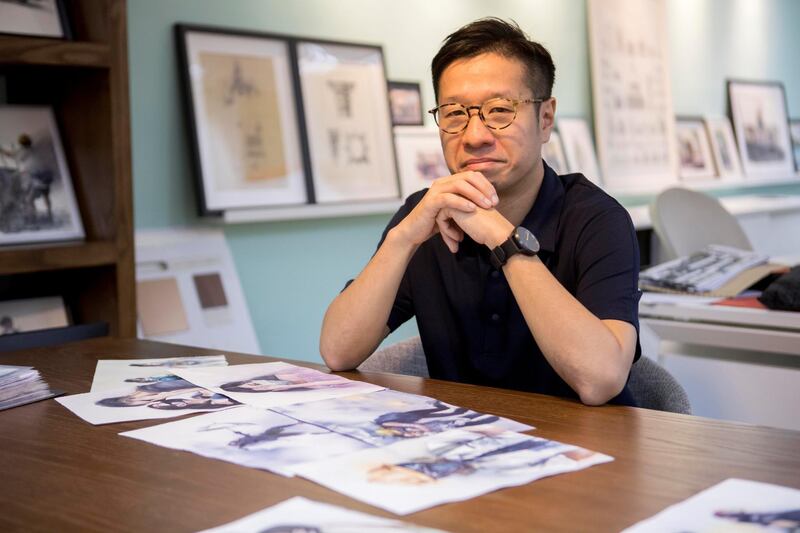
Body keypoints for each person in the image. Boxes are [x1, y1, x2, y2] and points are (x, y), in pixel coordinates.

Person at [320, 18, 641, 406]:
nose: (474, 136)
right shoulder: (426, 214)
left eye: (500, 110)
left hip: (593, 454)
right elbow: (338, 350)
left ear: (545, 118)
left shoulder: (596, 219)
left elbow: (601, 379)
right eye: (454, 113)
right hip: (466, 449)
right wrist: (404, 237)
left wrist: (502, 239)